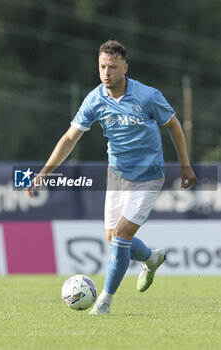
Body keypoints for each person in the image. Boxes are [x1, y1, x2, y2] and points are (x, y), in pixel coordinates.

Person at [26, 40, 196, 315]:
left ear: (125, 68)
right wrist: (45, 172)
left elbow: (173, 125)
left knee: (121, 236)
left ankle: (103, 303)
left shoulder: (148, 96)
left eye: (113, 67)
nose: (106, 73)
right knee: (113, 240)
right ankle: (153, 258)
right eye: (102, 67)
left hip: (149, 176)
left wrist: (185, 165)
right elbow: (71, 137)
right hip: (116, 177)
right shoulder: (94, 99)